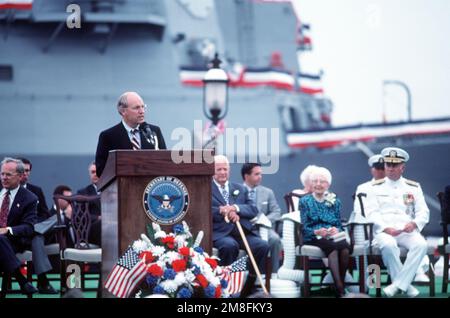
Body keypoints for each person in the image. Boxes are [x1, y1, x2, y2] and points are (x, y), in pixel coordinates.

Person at [365, 147, 429, 297]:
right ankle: (406, 286)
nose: (391, 168)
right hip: (384, 231)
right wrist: (386, 228)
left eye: (395, 165)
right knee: (388, 245)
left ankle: (398, 285)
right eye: (388, 165)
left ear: (402, 167)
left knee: (421, 244)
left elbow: (423, 211)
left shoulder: (413, 187)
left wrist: (414, 224)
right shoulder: (374, 187)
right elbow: (371, 212)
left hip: (406, 230)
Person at [212, 155, 269, 296]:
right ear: (212, 171)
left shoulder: (239, 188)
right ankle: (227, 289)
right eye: (219, 169)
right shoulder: (206, 188)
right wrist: (222, 210)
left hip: (242, 231)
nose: (223, 172)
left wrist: (235, 208)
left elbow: (253, 209)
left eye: (225, 169)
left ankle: (248, 287)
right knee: (229, 246)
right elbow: (203, 209)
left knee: (262, 246)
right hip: (220, 233)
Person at [299, 166, 352, 297]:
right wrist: (317, 232)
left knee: (344, 248)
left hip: (332, 235)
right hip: (313, 235)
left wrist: (336, 230)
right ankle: (340, 289)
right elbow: (304, 226)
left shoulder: (334, 200)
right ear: (311, 184)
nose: (318, 184)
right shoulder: (305, 201)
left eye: (322, 181)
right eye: (315, 181)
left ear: (328, 184)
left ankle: (337, 284)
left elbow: (338, 224)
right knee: (332, 248)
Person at [95, 91, 167, 177]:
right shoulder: (108, 136)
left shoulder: (154, 131)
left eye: (143, 107)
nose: (142, 111)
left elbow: (165, 162)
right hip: (123, 187)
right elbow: (100, 170)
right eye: (136, 108)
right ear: (123, 111)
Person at [14, 157, 59, 294]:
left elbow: (45, 214)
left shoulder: (36, 190)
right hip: (18, 232)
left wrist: (34, 223)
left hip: (34, 228)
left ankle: (34, 228)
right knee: (37, 236)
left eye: (27, 171)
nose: (25, 173)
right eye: (22, 171)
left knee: (56, 218)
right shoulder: (6, 191)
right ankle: (43, 282)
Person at [0, 157, 38, 295]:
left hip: (13, 240)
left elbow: (29, 227)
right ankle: (22, 281)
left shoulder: (30, 198)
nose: (4, 178)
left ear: (20, 176)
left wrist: (7, 230)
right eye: (2, 174)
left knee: (0, 239)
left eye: (8, 174)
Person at [241, 162, 282, 273]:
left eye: (261, 174)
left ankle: (272, 275)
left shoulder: (268, 192)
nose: (260, 177)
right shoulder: (237, 191)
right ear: (246, 176)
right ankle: (249, 277)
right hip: (245, 229)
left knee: (275, 239)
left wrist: (264, 221)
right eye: (257, 174)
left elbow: (276, 212)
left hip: (264, 228)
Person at [77, 162, 101, 246]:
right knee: (102, 224)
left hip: (110, 226)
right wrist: (98, 217)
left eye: (97, 171)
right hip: (90, 230)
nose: (95, 174)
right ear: (89, 174)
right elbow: (80, 215)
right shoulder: (83, 192)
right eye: (93, 172)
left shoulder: (112, 190)